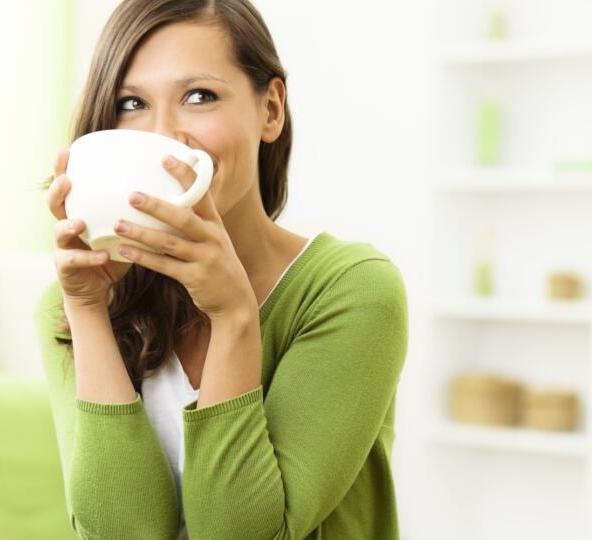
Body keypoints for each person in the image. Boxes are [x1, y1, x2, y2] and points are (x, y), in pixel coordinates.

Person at [35, 1, 409, 538]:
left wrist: (234, 315)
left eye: (199, 96)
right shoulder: (68, 305)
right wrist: (88, 312)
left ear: (271, 110)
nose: (163, 136)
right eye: (132, 103)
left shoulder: (353, 290)